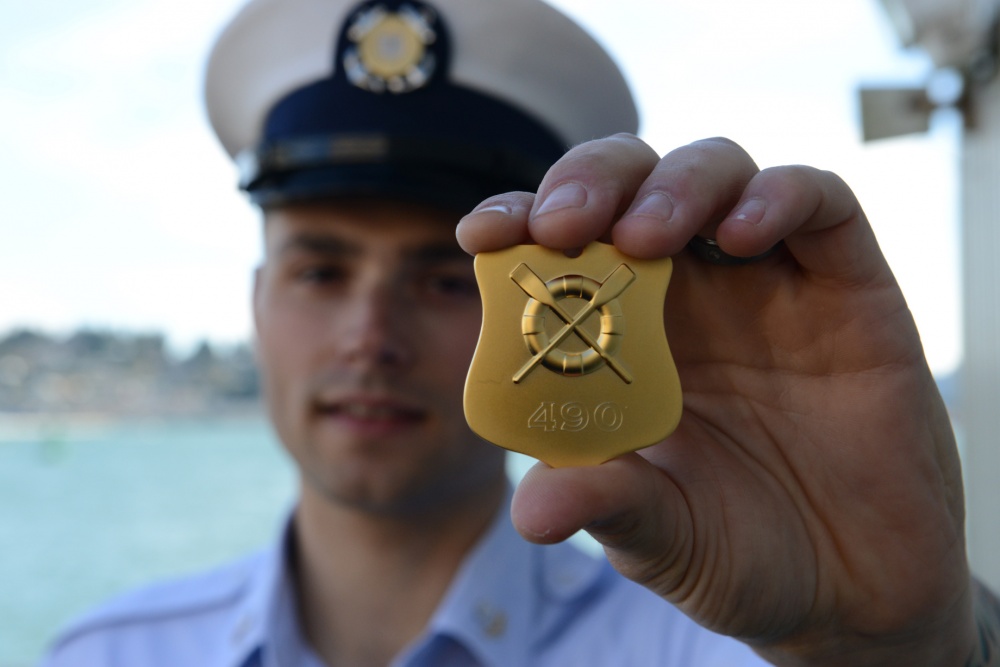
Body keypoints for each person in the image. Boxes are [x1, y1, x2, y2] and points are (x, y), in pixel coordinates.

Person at [42, 0, 1000, 665]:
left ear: (576, 296)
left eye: (450, 277)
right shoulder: (101, 655)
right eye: (321, 270)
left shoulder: (741, 646)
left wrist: (904, 650)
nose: (369, 336)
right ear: (257, 299)